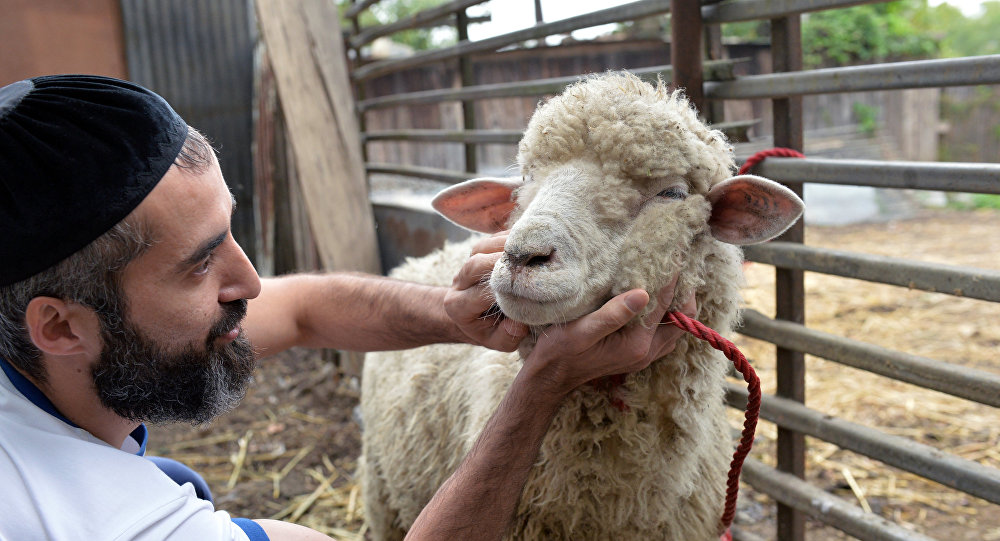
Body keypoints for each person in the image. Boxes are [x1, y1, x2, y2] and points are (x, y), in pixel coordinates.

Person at [0, 74, 694, 541]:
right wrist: (542, 383)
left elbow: (302, 309)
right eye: (199, 263)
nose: (251, 279)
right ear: (59, 325)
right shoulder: (105, 522)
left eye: (230, 233)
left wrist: (449, 315)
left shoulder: (35, 343)